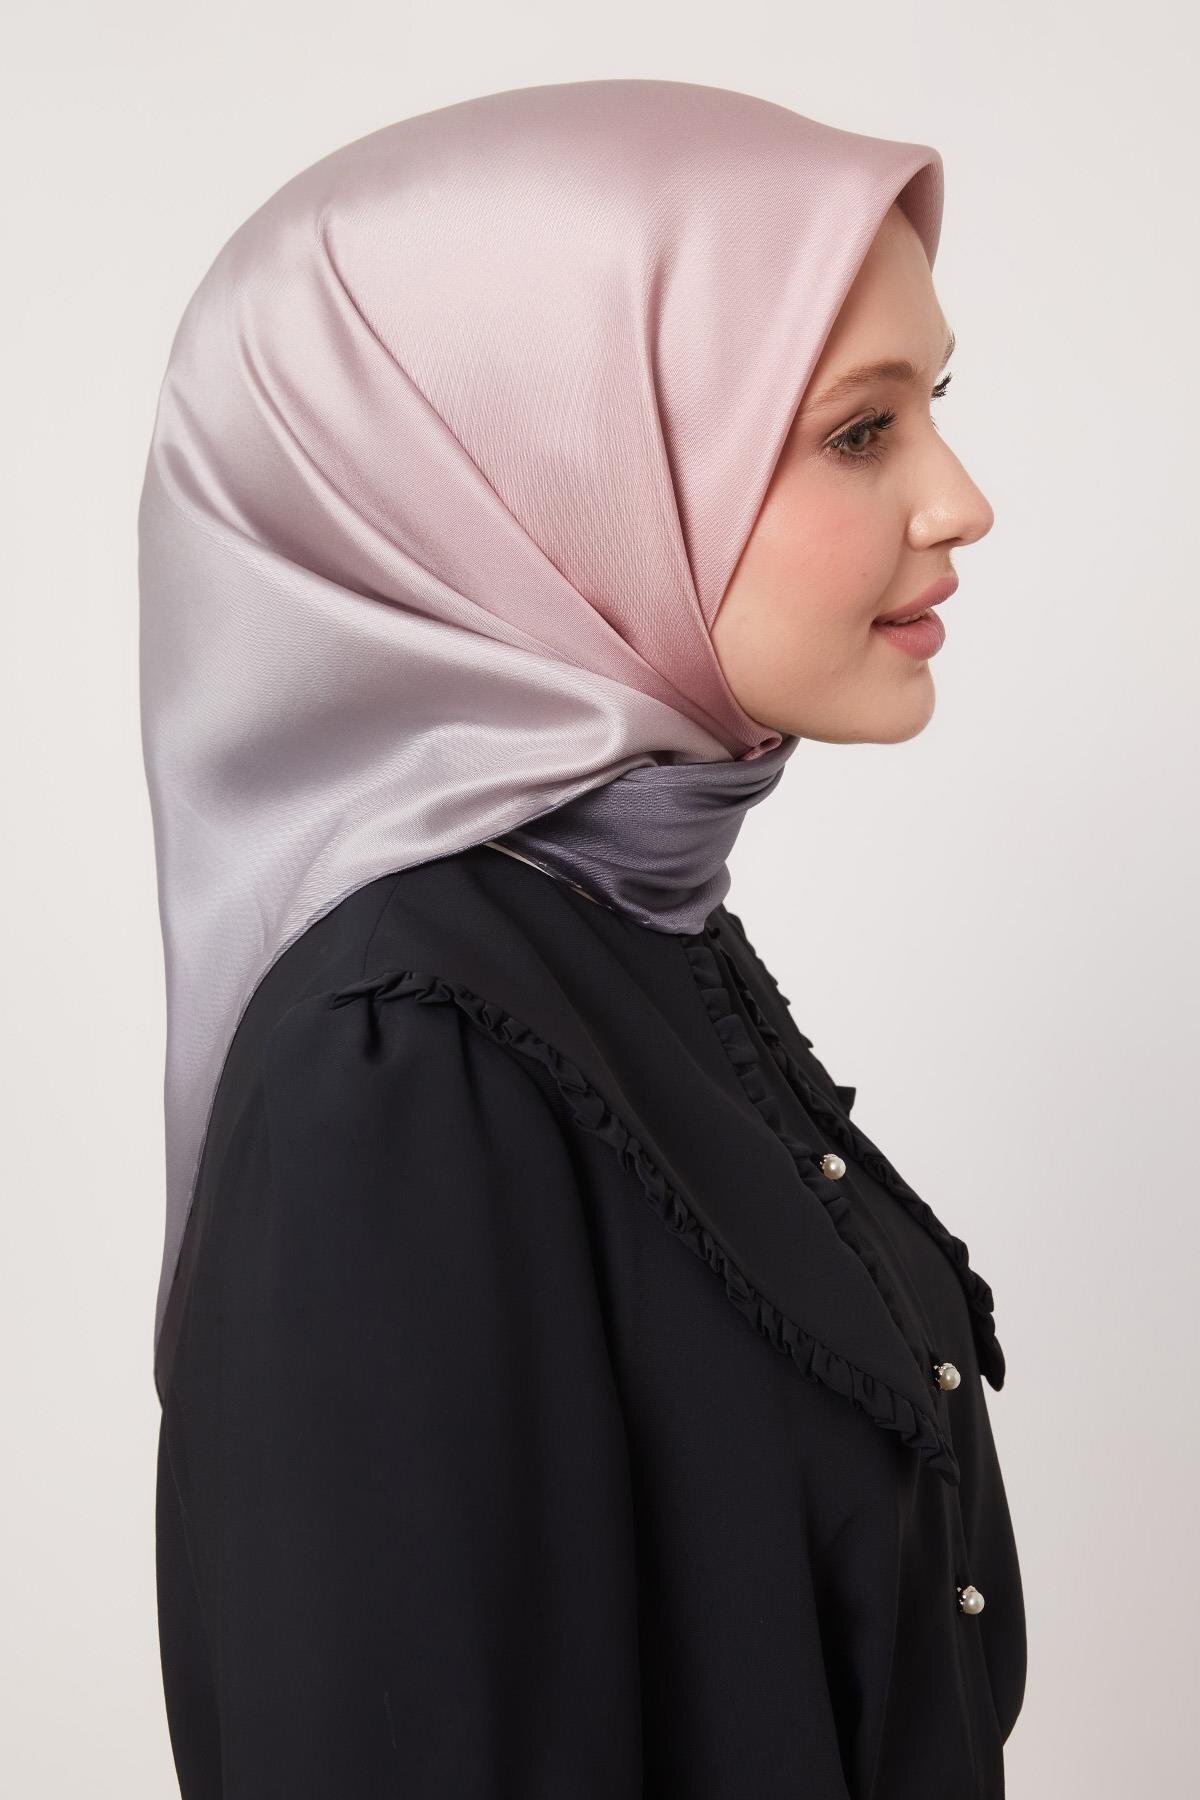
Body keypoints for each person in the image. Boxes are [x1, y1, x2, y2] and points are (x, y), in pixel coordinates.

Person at [140, 78, 1026, 1797]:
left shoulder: (634, 931)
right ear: (557, 475)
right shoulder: (403, 1067)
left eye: (937, 406)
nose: (960, 499)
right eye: (860, 431)